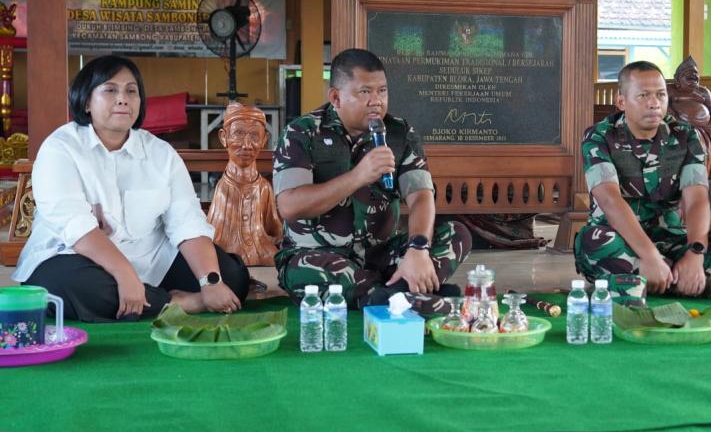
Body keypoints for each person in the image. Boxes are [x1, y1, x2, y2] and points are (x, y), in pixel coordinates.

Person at [12, 55, 249, 321]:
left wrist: (211, 282)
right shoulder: (60, 148)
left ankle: (147, 297)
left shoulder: (161, 153)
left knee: (232, 276)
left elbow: (187, 221)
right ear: (87, 101)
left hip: (149, 258)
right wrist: (124, 274)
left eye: (131, 91)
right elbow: (77, 229)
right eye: (110, 90)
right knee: (80, 288)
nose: (123, 98)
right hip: (74, 256)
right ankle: (178, 303)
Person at [272, 49, 471, 312]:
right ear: (336, 97)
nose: (376, 101)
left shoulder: (400, 133)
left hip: (381, 255)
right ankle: (407, 292)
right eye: (365, 92)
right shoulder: (302, 133)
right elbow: (289, 206)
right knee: (307, 273)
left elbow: (421, 195)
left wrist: (417, 248)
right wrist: (357, 176)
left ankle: (392, 295)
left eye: (382, 91)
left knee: (457, 233)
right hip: (319, 255)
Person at [574, 61, 711, 301]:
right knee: (591, 243)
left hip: (673, 241)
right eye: (643, 95)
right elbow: (610, 201)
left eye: (660, 95)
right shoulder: (600, 136)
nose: (654, 103)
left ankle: (644, 282)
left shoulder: (686, 135)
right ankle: (697, 286)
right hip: (621, 241)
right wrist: (650, 257)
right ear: (621, 101)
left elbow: (696, 199)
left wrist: (695, 252)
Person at [206, 102, 283, 266]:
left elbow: (275, 230)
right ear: (223, 137)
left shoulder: (264, 188)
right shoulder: (222, 189)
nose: (247, 145)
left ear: (264, 140)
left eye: (255, 136)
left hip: (262, 253)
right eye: (238, 134)